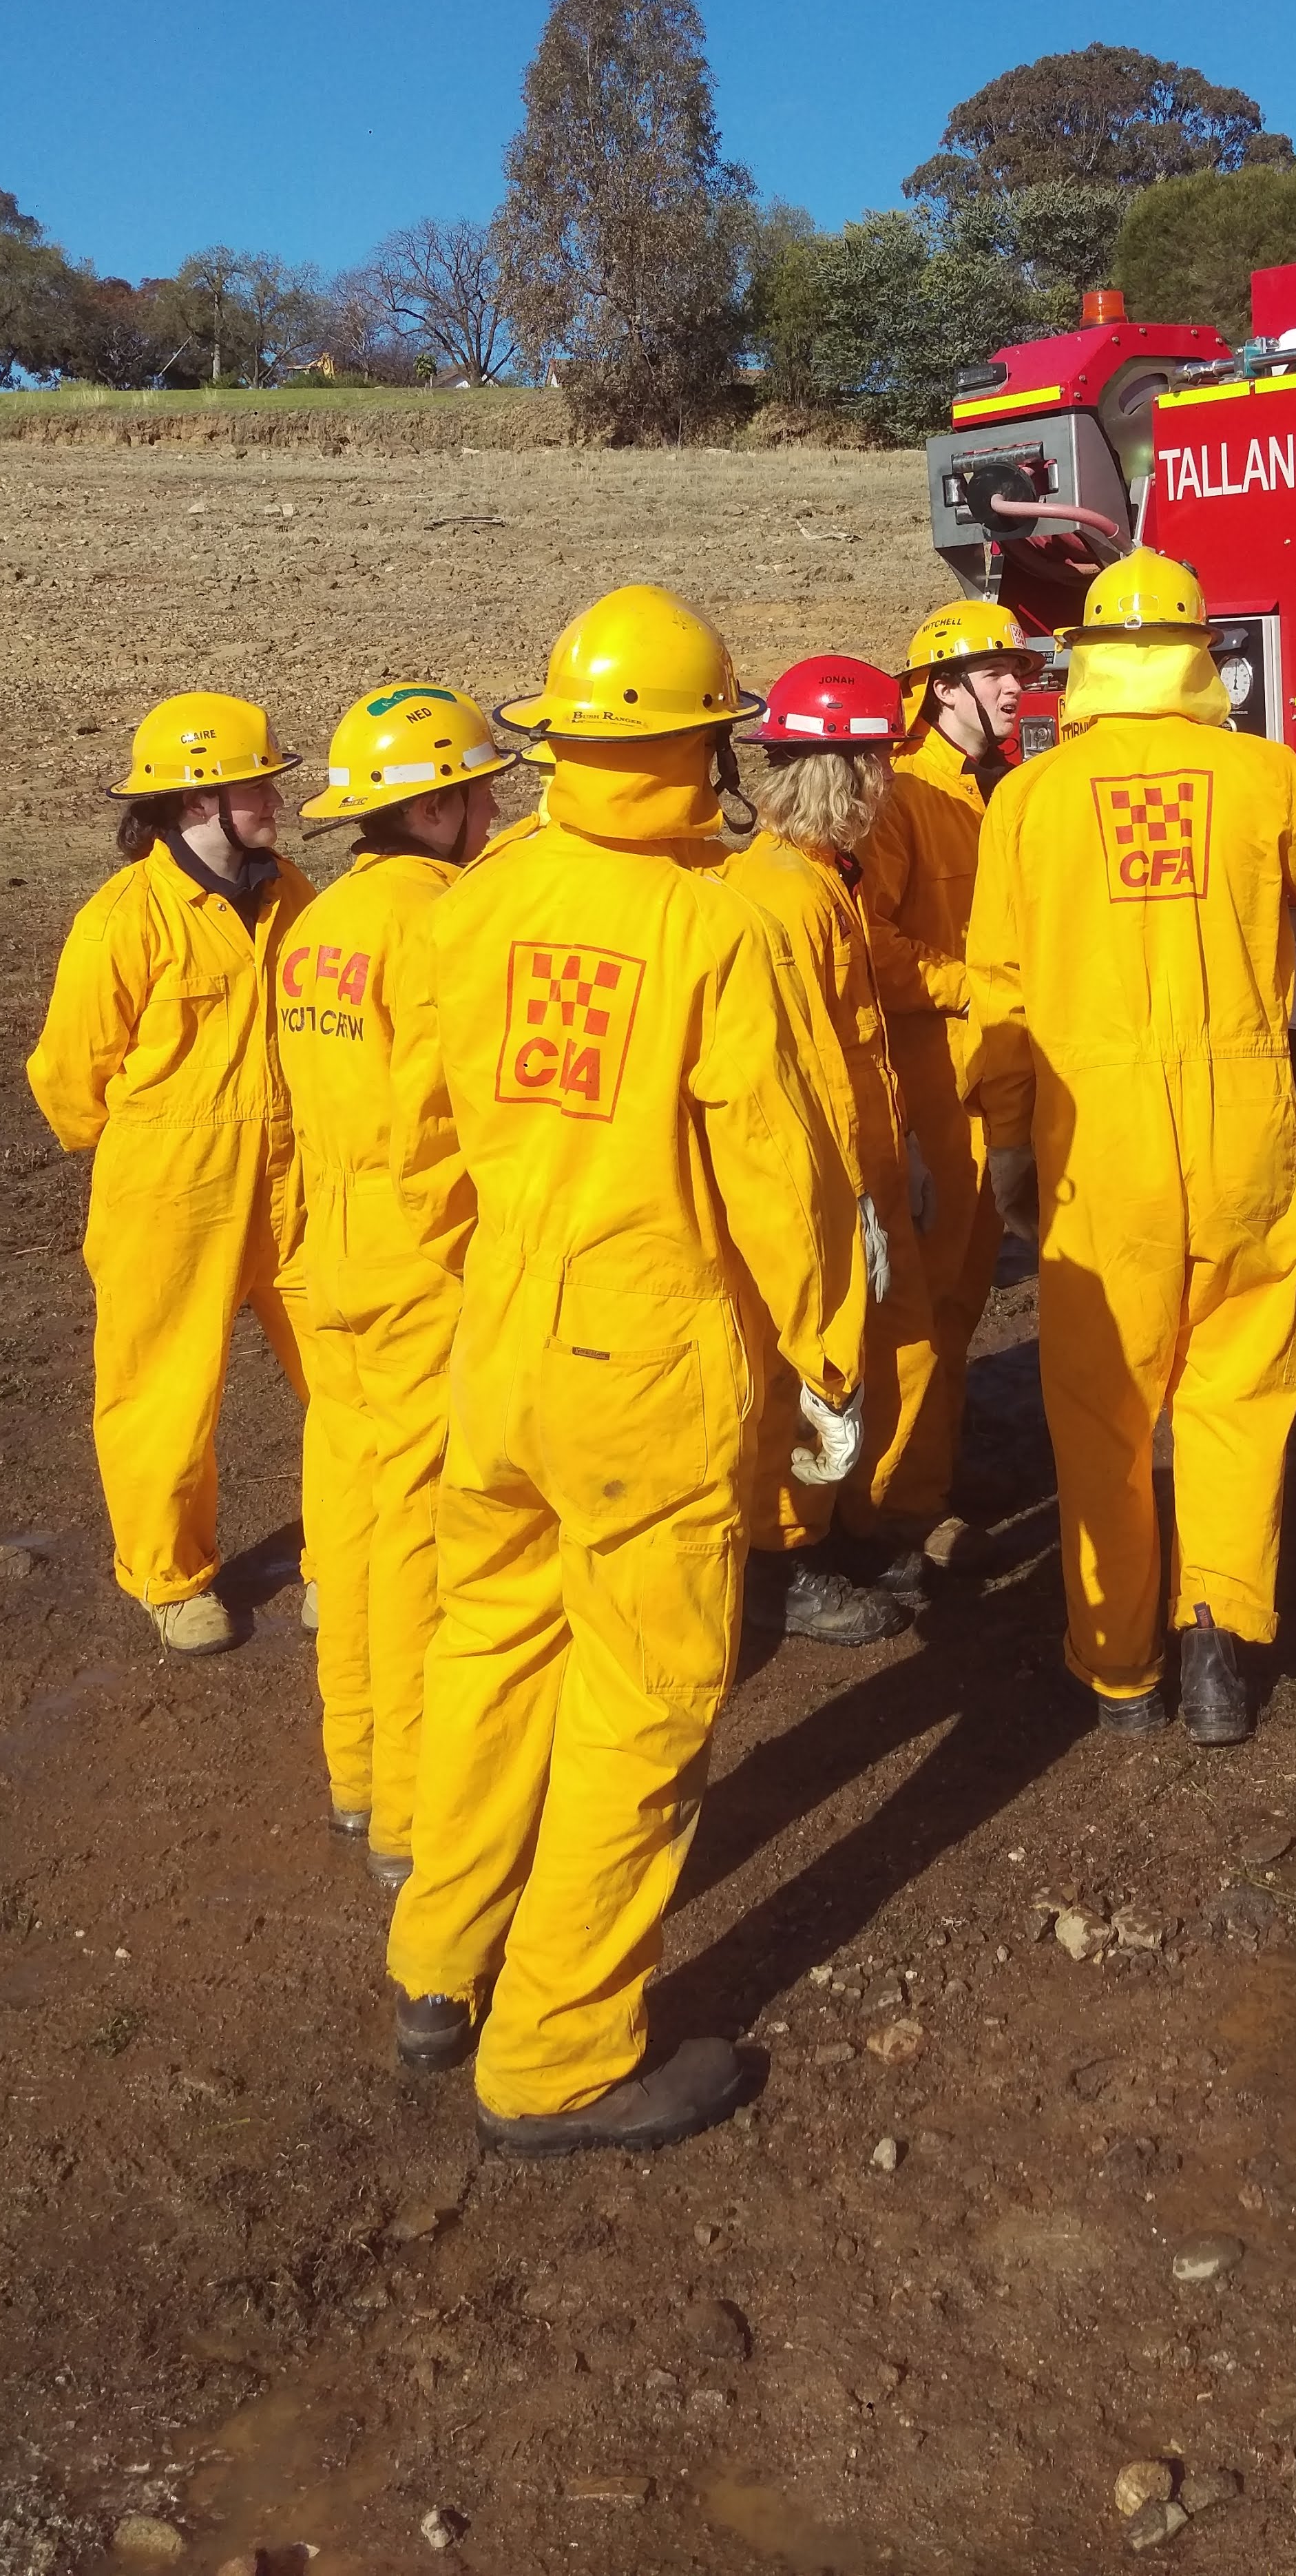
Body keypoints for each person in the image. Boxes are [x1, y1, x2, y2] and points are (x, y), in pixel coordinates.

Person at [384, 587, 868, 2157]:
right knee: (642, 1703)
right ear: (705, 743)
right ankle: (559, 2055)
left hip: (501, 1353)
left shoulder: (476, 899)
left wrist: (497, 1276)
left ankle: (440, 1969)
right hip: (645, 1375)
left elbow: (417, 1151)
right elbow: (784, 1180)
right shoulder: (718, 923)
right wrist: (832, 1359)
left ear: (566, 740)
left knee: (488, 1653)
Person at [965, 552, 1296, 1741]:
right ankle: (1220, 1647)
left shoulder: (1027, 799)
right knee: (1240, 1390)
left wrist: (1010, 1148)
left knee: (1102, 1409)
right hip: (1240, 1132)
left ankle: (1119, 1672)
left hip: (1096, 1137)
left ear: (1085, 663)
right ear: (1198, 658)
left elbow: (998, 997)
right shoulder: (1257, 773)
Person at [280, 683, 518, 1887]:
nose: (495, 809)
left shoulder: (320, 920)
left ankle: (358, 1770)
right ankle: (416, 1820)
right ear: (437, 812)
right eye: (483, 792)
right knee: (427, 1537)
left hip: (333, 1253)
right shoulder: (438, 924)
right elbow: (455, 1112)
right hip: (421, 1260)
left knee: (362, 1522)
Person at [28, 692, 312, 1653]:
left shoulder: (294, 894)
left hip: (297, 1169)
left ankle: (350, 1553)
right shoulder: (125, 920)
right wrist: (149, 1151)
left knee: (348, 1366)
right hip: (170, 1185)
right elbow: (70, 1076)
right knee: (162, 1388)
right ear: (196, 800)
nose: (275, 796)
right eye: (255, 784)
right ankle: (168, 1576)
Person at [728, 654, 939, 1647]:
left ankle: (842, 1526)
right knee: (806, 1370)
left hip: (860, 1165)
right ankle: (782, 1558)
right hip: (823, 1182)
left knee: (871, 1356)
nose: (893, 784)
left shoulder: (819, 879)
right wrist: (848, 1198)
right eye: (881, 766)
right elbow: (792, 1072)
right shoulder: (782, 898)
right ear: (847, 775)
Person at [857, 601, 1041, 1548]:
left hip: (984, 1085)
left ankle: (921, 1495)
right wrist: (975, 987)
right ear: (939, 688)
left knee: (962, 1306)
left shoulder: (999, 793)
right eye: (996, 670)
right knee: (916, 1315)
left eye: (1018, 667)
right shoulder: (898, 798)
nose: (1019, 684)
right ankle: (883, 1517)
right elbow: (868, 942)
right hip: (930, 1094)